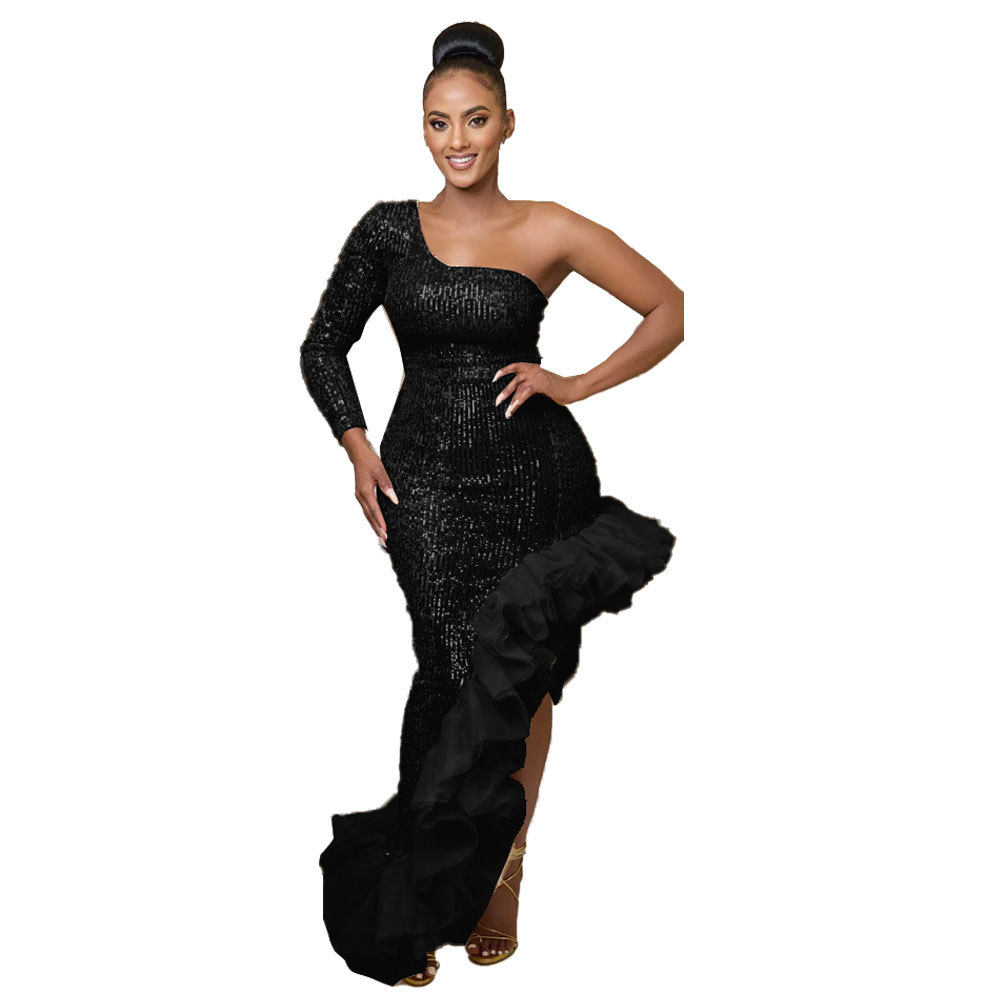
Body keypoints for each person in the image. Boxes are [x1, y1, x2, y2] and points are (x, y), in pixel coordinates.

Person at [299, 20, 683, 988]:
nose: (457, 140)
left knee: (523, 673)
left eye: (475, 119)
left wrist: (576, 383)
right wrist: (356, 447)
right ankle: (416, 892)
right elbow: (322, 345)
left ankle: (501, 872)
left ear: (508, 122)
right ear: (421, 129)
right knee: (447, 666)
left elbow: (669, 307)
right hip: (422, 482)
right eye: (439, 122)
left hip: (534, 476)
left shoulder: (550, 227)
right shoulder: (387, 229)